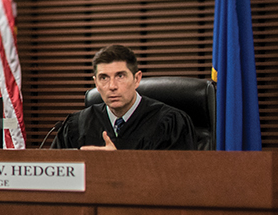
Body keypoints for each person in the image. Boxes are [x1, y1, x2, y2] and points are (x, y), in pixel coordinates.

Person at [55, 44, 197, 150]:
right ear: (96, 84)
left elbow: (181, 180)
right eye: (104, 78)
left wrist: (117, 164)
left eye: (120, 76)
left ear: (137, 79)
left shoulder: (171, 123)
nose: (112, 86)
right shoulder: (77, 125)